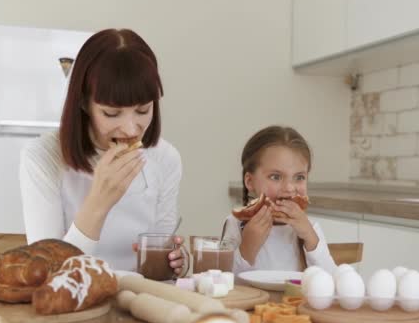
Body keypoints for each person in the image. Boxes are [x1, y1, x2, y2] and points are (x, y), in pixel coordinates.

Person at [19, 28, 185, 274]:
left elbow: (157, 267)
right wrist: (99, 201)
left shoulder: (165, 158)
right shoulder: (42, 157)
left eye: (143, 110)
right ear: (84, 103)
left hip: (137, 301)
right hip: (73, 305)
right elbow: (47, 273)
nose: (131, 129)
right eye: (111, 113)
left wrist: (172, 264)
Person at [224, 126, 337, 274]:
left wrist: (310, 238)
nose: (289, 188)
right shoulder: (236, 224)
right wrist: (247, 247)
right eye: (275, 177)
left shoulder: (310, 228)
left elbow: (330, 282)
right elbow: (223, 285)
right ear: (250, 181)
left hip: (294, 298)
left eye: (299, 177)